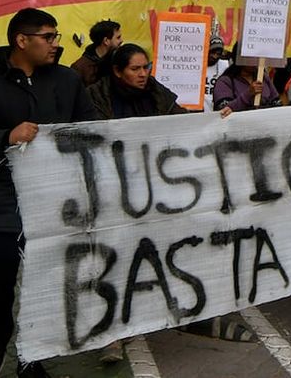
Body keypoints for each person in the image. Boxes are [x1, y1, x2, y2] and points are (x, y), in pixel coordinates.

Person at [0, 8, 97, 378]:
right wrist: (6, 137)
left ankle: (31, 352)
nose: (56, 44)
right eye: (49, 37)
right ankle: (0, 331)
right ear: (22, 40)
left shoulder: (67, 81)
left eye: (56, 36)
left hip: (53, 200)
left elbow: (94, 129)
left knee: (42, 280)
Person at [87, 43, 251, 363]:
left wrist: (214, 119)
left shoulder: (158, 95)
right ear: (117, 71)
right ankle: (112, 335)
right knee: (118, 262)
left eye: (146, 67)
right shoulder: (95, 97)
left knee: (170, 253)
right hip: (114, 196)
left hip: (157, 193)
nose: (142, 74)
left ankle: (189, 311)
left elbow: (183, 123)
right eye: (135, 69)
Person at [213, 40, 281, 113]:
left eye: (257, 57)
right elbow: (223, 110)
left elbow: (277, 104)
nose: (256, 61)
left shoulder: (264, 78)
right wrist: (248, 94)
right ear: (239, 58)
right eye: (251, 57)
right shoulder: (225, 81)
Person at [70, 19, 122, 87]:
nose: (121, 40)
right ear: (106, 41)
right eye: (118, 38)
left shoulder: (118, 60)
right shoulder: (79, 68)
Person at [203, 35, 229, 110]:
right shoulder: (197, 64)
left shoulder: (225, 66)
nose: (215, 56)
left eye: (218, 54)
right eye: (212, 52)